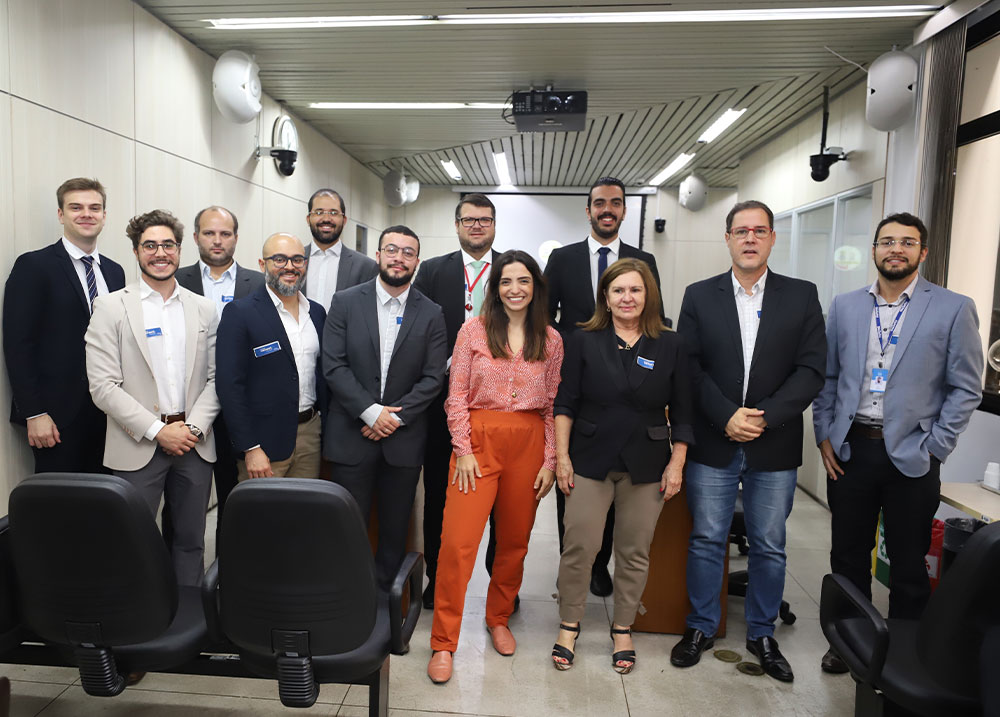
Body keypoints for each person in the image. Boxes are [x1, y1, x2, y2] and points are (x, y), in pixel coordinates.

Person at [812, 212, 983, 674]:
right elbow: (828, 377)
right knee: (847, 554)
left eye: (907, 242)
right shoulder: (846, 306)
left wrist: (937, 446)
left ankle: (907, 653)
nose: (896, 249)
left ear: (922, 252)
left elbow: (966, 387)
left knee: (908, 562)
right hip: (852, 450)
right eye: (887, 241)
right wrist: (825, 434)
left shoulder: (953, 307)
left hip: (913, 453)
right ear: (874, 250)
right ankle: (848, 640)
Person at [671, 200, 826, 683]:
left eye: (760, 230)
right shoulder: (700, 296)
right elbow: (689, 367)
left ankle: (761, 633)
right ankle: (701, 625)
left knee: (769, 544)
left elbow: (811, 370)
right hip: (715, 440)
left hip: (773, 442)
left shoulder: (802, 295)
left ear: (773, 238)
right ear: (728, 239)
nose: (751, 238)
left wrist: (763, 418)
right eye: (741, 231)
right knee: (707, 539)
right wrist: (726, 416)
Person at [427, 250, 563, 684]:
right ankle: (443, 641)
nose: (515, 289)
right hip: (477, 443)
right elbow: (455, 396)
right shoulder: (473, 331)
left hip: (528, 444)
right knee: (457, 543)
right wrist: (463, 449)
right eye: (506, 281)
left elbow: (553, 406)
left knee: (514, 543)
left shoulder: (552, 339)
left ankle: (498, 617)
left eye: (523, 281)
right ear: (495, 288)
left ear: (535, 287)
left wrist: (549, 459)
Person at [551, 258, 693, 674]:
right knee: (579, 545)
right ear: (606, 297)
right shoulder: (582, 340)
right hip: (589, 458)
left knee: (634, 550)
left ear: (648, 295)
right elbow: (565, 403)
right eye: (618, 290)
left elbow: (684, 411)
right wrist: (562, 457)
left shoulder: (671, 344)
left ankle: (623, 627)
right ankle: (569, 624)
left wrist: (677, 463)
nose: (627, 298)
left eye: (635, 289)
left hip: (647, 463)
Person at [85, 209, 219, 586]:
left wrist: (193, 428)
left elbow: (216, 379)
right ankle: (140, 615)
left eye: (168, 245)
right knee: (132, 542)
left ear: (179, 250)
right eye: (150, 246)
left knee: (191, 542)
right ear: (136, 251)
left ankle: (188, 613)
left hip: (194, 443)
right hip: (137, 444)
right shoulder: (111, 307)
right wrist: (158, 431)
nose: (160, 253)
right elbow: (103, 386)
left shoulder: (204, 308)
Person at [544, 176, 662, 598]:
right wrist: (574, 350)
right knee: (576, 477)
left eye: (615, 202)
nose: (607, 209)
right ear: (589, 210)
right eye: (599, 203)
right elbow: (546, 316)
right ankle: (573, 562)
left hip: (630, 386)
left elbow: (654, 318)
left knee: (620, 473)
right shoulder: (563, 258)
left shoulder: (642, 260)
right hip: (580, 383)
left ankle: (599, 564)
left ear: (624, 210)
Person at [323, 225, 447, 590]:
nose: (399, 258)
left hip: (402, 442)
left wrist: (393, 417)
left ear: (417, 261)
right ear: (378, 255)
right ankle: (348, 601)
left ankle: (385, 606)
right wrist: (370, 412)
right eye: (391, 250)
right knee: (346, 527)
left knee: (395, 531)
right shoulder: (345, 302)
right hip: (351, 436)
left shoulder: (432, 313)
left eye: (408, 252)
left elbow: (433, 377)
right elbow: (334, 365)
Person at [412, 193, 501, 610]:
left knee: (501, 500)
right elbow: (417, 329)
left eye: (484, 219)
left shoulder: (511, 269)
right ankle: (436, 577)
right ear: (457, 225)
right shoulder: (432, 271)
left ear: (494, 225)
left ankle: (500, 583)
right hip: (441, 397)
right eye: (469, 220)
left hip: (498, 401)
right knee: (438, 493)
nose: (477, 226)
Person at [3, 177, 126, 474]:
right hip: (56, 416)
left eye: (94, 208)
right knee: (61, 498)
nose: (86, 214)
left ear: (104, 215)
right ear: (61, 214)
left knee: (107, 496)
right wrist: (34, 412)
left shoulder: (115, 272)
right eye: (76, 207)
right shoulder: (34, 266)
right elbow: (18, 344)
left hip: (109, 413)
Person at [174, 206, 263, 542]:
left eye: (225, 234)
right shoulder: (174, 279)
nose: (217, 240)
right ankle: (179, 566)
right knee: (182, 498)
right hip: (187, 406)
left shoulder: (258, 284)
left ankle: (229, 565)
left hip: (241, 407)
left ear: (236, 238)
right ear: (196, 237)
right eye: (209, 233)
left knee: (235, 495)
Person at [215, 233, 325, 483]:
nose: (290, 266)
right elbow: (229, 386)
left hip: (310, 435)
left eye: (297, 259)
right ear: (262, 264)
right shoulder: (240, 313)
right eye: (280, 259)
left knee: (307, 507)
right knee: (262, 509)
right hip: (263, 442)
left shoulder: (317, 313)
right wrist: (250, 447)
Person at [303, 188, 377, 311]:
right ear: (308, 219)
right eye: (319, 212)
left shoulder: (366, 267)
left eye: (333, 213)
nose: (326, 219)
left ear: (344, 220)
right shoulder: (293, 261)